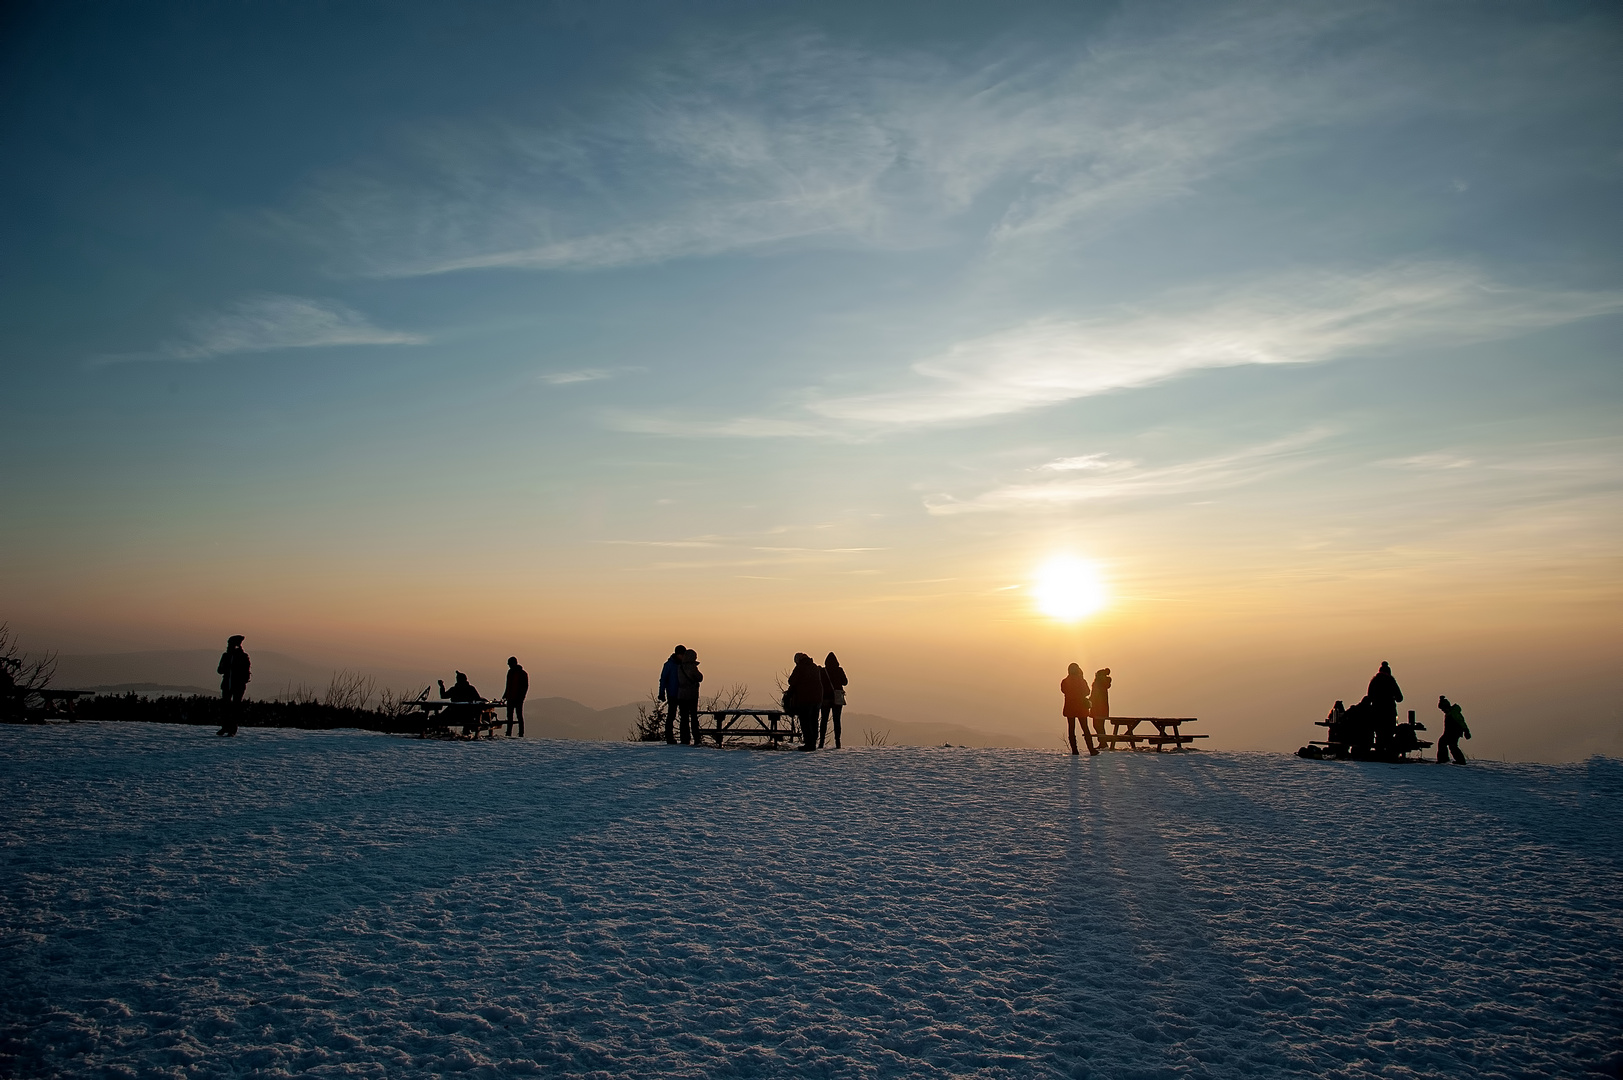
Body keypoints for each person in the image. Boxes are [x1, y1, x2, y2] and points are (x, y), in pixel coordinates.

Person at [786, 652, 824, 750]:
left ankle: (809, 744)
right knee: (814, 721)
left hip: (805, 700)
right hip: (817, 699)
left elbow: (791, 681)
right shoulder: (814, 667)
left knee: (805, 721)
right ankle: (813, 742)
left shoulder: (800, 667)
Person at [216, 635, 250, 737]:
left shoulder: (242, 657)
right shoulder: (227, 656)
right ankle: (225, 727)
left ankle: (232, 729)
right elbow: (219, 670)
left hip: (237, 686)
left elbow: (245, 672)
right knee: (226, 707)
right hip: (228, 685)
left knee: (235, 707)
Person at [1061, 663, 1098, 756]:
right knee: (1085, 728)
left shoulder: (1065, 681)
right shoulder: (1081, 681)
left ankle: (1074, 750)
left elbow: (1063, 690)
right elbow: (1087, 692)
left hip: (1070, 707)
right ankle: (1091, 749)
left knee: (1071, 729)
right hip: (1081, 707)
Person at [438, 671, 482, 737]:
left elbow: (443, 696)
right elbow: (478, 699)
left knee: (439, 717)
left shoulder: (454, 689)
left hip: (453, 714)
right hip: (468, 715)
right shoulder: (470, 689)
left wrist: (442, 687)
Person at [657, 645, 686, 745]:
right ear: (678, 654)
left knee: (683, 716)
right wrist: (661, 693)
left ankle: (684, 738)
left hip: (681, 694)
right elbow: (663, 679)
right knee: (672, 715)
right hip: (673, 694)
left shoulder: (682, 665)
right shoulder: (669, 665)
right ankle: (669, 738)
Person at [820, 652, 848, 749]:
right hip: (837, 699)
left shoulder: (823, 671)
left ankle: (821, 742)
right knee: (837, 720)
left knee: (824, 720)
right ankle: (838, 742)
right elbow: (845, 682)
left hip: (825, 699)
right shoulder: (839, 670)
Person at [676, 648, 703, 745]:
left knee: (684, 718)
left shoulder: (679, 667)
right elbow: (700, 677)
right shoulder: (692, 667)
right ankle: (696, 737)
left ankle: (685, 738)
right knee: (694, 717)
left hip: (681, 696)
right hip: (692, 695)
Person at [1436, 695, 1471, 764]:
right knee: (1444, 743)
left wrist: (1466, 731)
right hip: (1449, 732)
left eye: (1443, 709)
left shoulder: (1453, 713)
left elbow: (1461, 721)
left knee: (1451, 745)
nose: (1442, 711)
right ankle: (1446, 759)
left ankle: (1459, 760)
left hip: (1454, 732)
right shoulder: (1449, 713)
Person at [503, 657, 529, 737]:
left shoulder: (522, 673)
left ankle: (520, 733)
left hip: (517, 698)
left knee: (518, 716)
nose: (509, 665)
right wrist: (505, 695)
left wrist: (522, 697)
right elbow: (508, 685)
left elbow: (525, 686)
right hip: (511, 697)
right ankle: (509, 732)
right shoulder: (511, 672)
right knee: (511, 716)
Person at [1090, 668, 1112, 744]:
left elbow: (1094, 696)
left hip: (1097, 708)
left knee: (1097, 725)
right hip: (1103, 708)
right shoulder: (1103, 685)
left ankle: (1103, 742)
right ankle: (1103, 742)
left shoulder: (1098, 684)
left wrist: (1089, 701)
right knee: (1100, 725)